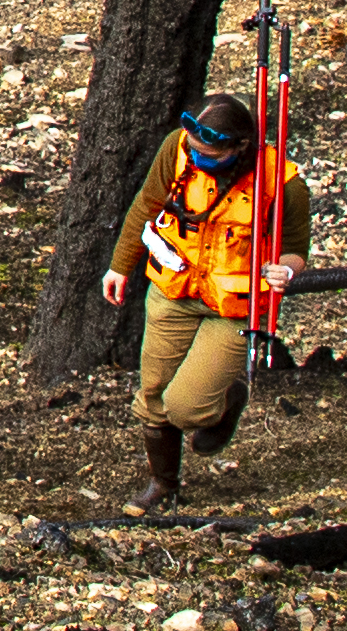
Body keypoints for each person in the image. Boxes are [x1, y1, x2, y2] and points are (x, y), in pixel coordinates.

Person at [101, 85, 294, 506]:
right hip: (174, 291)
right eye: (194, 148)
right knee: (153, 395)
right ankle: (163, 487)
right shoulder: (176, 148)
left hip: (233, 308)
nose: (199, 157)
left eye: (211, 154)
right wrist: (120, 265)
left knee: (186, 408)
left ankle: (228, 400)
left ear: (241, 147)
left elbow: (295, 245)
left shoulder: (280, 179)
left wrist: (288, 269)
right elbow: (148, 203)